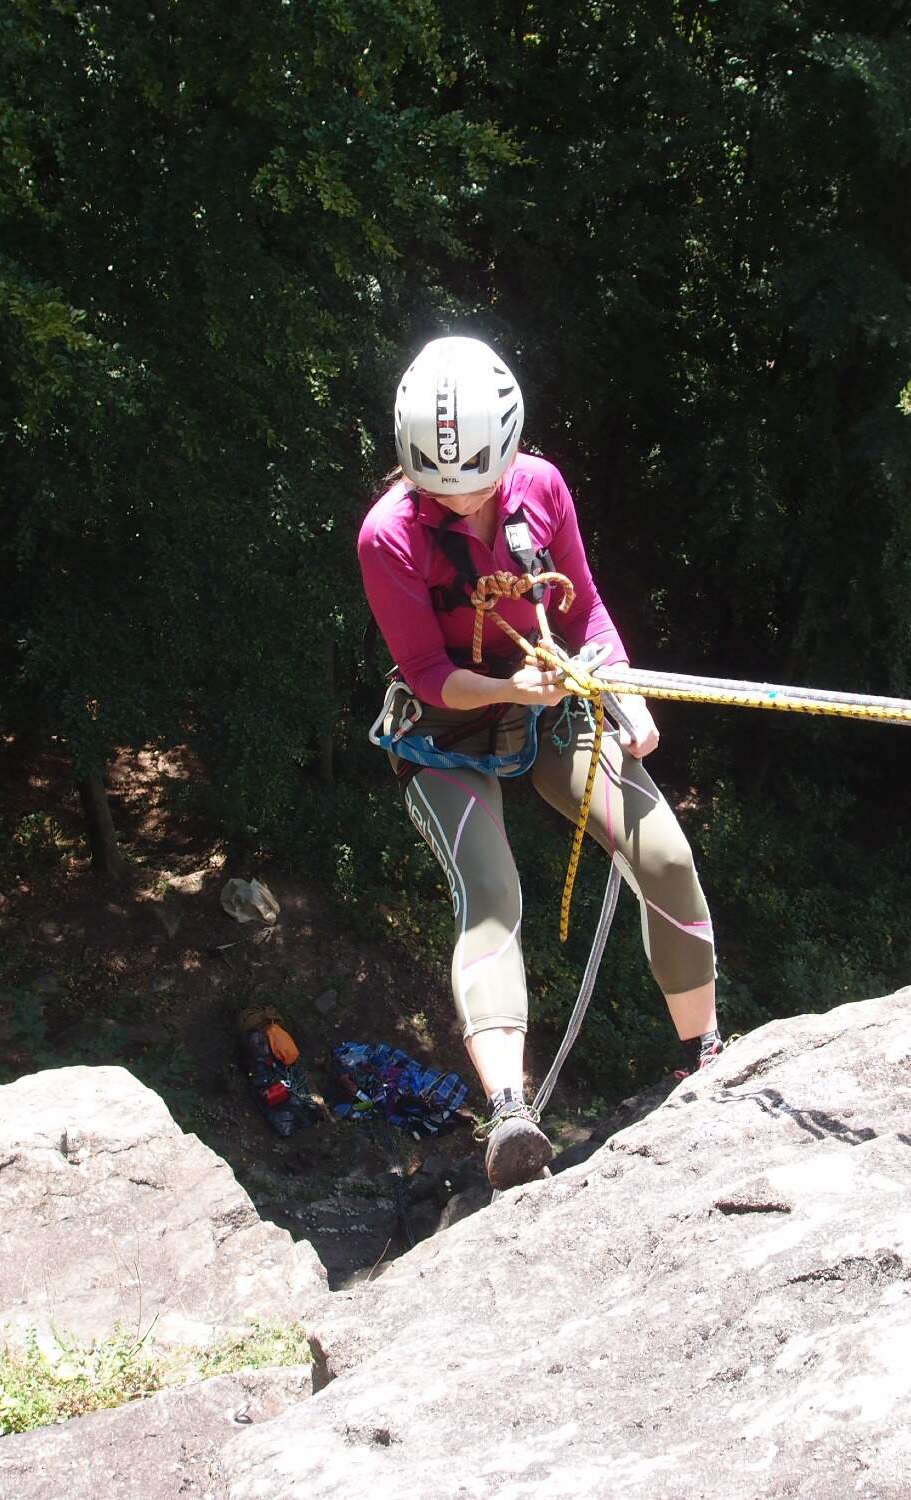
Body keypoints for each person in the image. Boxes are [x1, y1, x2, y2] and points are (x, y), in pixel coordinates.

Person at [357, 335, 721, 1190]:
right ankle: (512, 1114)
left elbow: (587, 610)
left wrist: (622, 691)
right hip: (444, 732)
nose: (468, 502)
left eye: (482, 483)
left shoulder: (542, 488)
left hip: (549, 700)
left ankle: (705, 1054)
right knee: (492, 894)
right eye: (445, 491)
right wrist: (516, 690)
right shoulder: (390, 537)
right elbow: (430, 676)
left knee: (663, 853)